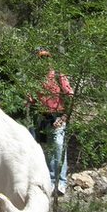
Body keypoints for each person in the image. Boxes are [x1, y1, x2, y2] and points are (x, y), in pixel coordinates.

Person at [33, 48, 74, 195]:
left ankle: (61, 182)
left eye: (46, 58)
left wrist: (63, 118)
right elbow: (32, 100)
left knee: (58, 147)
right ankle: (51, 181)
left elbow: (70, 96)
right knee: (49, 151)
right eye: (41, 58)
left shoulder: (58, 76)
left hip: (58, 117)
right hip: (43, 118)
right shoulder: (36, 78)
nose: (44, 61)